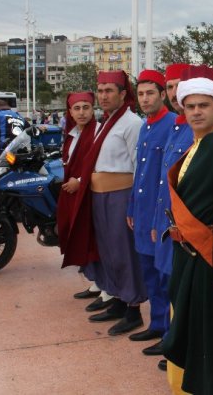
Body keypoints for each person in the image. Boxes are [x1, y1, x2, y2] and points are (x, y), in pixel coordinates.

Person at [161, 66, 213, 395]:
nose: (196, 112)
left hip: (207, 257)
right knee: (190, 328)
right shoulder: (195, 146)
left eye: (203, 105)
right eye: (190, 106)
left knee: (208, 335)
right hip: (186, 254)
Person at [85, 70, 149, 336]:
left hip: (121, 194)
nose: (103, 96)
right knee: (108, 250)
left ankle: (133, 309)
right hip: (100, 194)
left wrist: (134, 203)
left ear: (123, 95)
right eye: (100, 91)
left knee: (124, 251)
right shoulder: (104, 123)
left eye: (109, 90)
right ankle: (117, 300)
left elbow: (137, 166)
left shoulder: (131, 123)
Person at [125, 69, 176, 354]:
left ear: (162, 95)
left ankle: (169, 333)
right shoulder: (145, 125)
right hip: (142, 210)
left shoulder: (171, 124)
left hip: (160, 211)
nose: (145, 99)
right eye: (141, 94)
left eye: (150, 93)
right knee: (149, 271)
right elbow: (140, 170)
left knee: (164, 273)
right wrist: (132, 204)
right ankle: (157, 323)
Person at [151, 63, 195, 374]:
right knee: (169, 284)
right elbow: (161, 182)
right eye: (169, 87)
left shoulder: (196, 128)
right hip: (167, 224)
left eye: (179, 86)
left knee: (183, 290)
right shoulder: (177, 127)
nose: (174, 93)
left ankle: (182, 345)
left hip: (186, 227)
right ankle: (172, 339)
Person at [56, 92, 107, 303]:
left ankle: (107, 286)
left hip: (91, 193)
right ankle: (95, 281)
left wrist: (79, 179)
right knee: (81, 236)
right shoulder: (72, 133)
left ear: (93, 109)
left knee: (96, 240)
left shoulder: (97, 131)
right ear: (70, 112)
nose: (82, 112)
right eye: (77, 108)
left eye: (86, 107)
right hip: (74, 194)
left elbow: (99, 162)